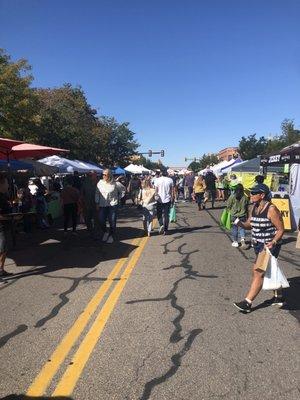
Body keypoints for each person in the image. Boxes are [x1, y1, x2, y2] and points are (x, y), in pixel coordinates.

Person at [233, 183, 284, 312]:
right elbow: (249, 225)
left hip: (268, 246)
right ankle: (279, 297)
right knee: (269, 270)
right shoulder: (254, 207)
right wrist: (239, 223)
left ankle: (247, 302)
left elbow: (280, 229)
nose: (251, 195)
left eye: (254, 193)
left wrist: (273, 241)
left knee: (258, 271)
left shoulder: (271, 209)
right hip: (257, 245)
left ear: (262, 195)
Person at [95, 169, 125, 243]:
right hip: (102, 205)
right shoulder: (100, 182)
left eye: (105, 174)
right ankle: (106, 232)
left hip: (112, 205)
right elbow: (97, 193)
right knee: (101, 220)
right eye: (103, 174)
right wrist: (97, 202)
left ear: (109, 175)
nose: (103, 176)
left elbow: (123, 190)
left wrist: (118, 198)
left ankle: (111, 235)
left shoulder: (115, 183)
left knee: (112, 221)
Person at [226, 183, 249, 249]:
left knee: (234, 228)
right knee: (242, 228)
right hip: (243, 215)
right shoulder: (245, 197)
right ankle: (242, 239)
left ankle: (235, 242)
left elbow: (228, 205)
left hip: (234, 215)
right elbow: (247, 206)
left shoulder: (232, 196)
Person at [0, 175, 13, 280]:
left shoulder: (3, 195)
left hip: (4, 225)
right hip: (1, 227)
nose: (8, 185)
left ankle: (1, 269)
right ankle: (0, 270)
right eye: (6, 183)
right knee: (3, 249)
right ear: (2, 184)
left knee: (4, 248)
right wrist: (12, 216)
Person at [154, 170, 174, 235]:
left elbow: (156, 190)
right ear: (167, 174)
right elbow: (172, 191)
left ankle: (161, 225)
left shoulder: (157, 180)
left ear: (161, 174)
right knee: (166, 215)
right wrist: (173, 199)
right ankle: (166, 230)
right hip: (167, 199)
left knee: (159, 213)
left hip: (159, 199)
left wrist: (155, 196)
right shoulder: (170, 180)